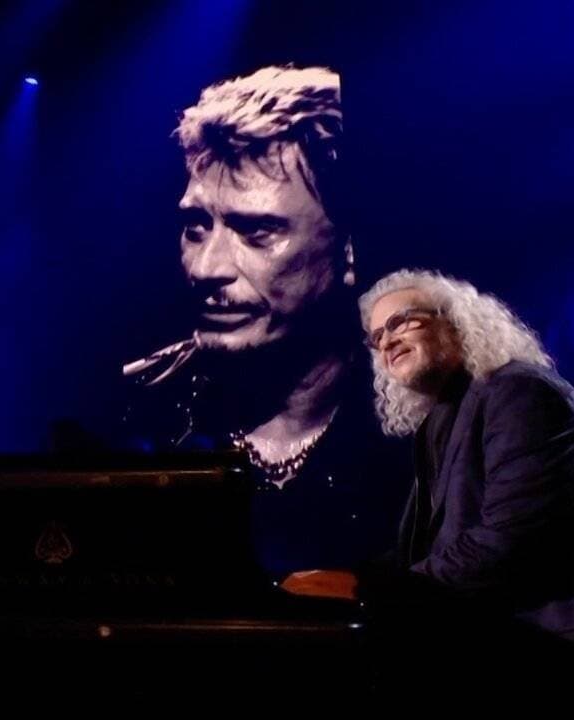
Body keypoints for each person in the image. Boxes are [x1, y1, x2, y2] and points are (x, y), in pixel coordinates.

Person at [286, 269, 574, 692]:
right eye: (377, 336)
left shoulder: (520, 393)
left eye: (401, 321)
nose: (387, 342)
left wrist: (376, 590)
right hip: (515, 637)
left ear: (455, 320)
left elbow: (508, 542)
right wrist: (342, 581)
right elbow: (426, 551)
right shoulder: (446, 417)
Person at [121, 65, 410, 579]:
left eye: (257, 231)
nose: (206, 268)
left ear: (348, 250)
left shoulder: (429, 428)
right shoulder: (137, 412)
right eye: (195, 227)